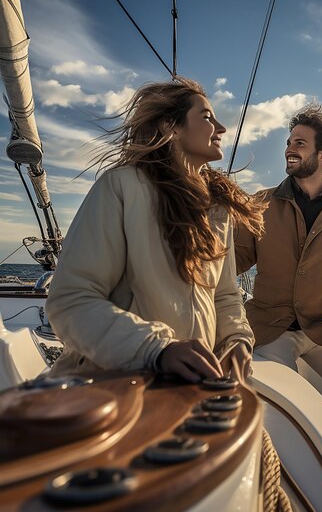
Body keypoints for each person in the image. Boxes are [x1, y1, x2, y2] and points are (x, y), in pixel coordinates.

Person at [47, 77, 265, 382]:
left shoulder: (217, 210)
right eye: (206, 117)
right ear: (170, 127)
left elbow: (225, 295)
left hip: (190, 386)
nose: (221, 128)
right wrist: (157, 349)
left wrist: (236, 340)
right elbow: (70, 300)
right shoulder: (122, 187)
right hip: (116, 385)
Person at [235, 103, 322, 442]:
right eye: (289, 142)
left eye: (299, 143)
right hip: (270, 326)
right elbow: (234, 260)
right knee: (275, 398)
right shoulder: (262, 203)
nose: (289, 148)